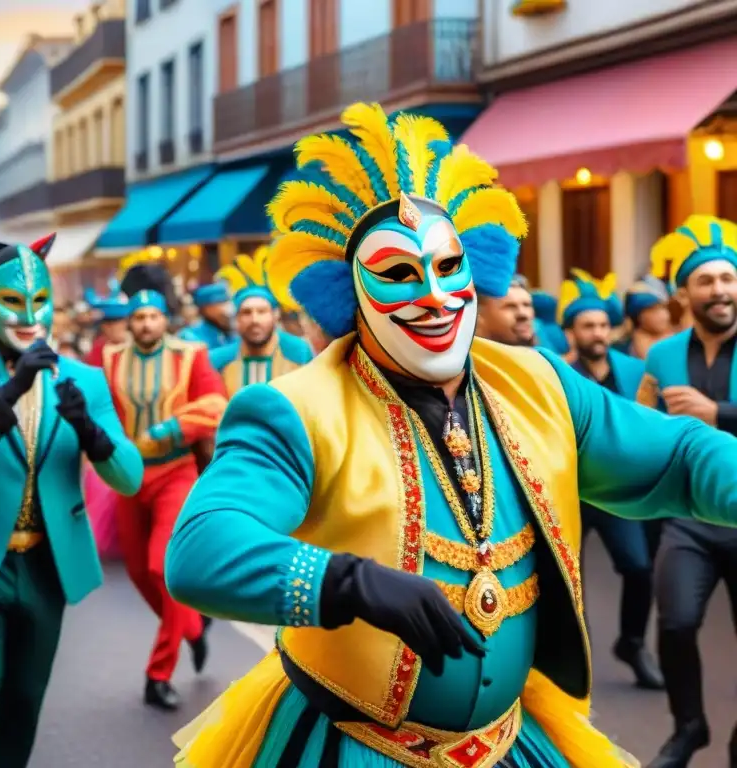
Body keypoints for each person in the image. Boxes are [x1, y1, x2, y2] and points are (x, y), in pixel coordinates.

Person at [164, 104, 737, 768]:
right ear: (350, 292)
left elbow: (681, 456)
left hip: (507, 743)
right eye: (400, 274)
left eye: (448, 267)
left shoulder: (538, 381)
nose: (435, 297)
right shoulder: (295, 408)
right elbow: (201, 549)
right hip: (357, 746)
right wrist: (347, 582)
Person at [0, 234, 142, 768]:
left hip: (46, 565)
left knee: (23, 701)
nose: (28, 315)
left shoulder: (84, 379)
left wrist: (90, 430)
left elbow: (129, 477)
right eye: (13, 302)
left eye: (38, 302)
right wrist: (11, 390)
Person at [103, 264, 228, 710]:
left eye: (153, 317)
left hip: (175, 471)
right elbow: (101, 409)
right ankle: (192, 628)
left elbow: (216, 403)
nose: (146, 324)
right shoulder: (109, 358)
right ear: (129, 323)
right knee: (138, 573)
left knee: (162, 569)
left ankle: (158, 673)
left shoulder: (190, 355)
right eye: (138, 319)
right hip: (128, 477)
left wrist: (170, 429)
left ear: (164, 319)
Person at [637, 216, 737, 768]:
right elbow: (638, 425)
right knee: (674, 622)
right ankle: (689, 727)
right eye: (707, 280)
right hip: (687, 519)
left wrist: (715, 413)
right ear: (685, 293)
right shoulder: (660, 357)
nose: (720, 290)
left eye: (728, 278)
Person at [557, 269, 663, 690]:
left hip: (616, 492)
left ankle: (633, 643)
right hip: (569, 492)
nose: (598, 332)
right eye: (588, 325)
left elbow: (654, 425)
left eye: (603, 324)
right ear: (570, 332)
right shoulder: (554, 372)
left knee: (639, 567)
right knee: (569, 581)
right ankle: (574, 661)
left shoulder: (635, 371)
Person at [210, 247, 313, 397]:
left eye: (262, 311)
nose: (254, 320)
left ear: (275, 315)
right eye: (246, 312)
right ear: (237, 318)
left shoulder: (299, 353)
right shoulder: (219, 360)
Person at [615, 275, 672, 360]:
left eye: (663, 308)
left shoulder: (677, 340)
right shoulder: (621, 350)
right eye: (653, 310)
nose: (663, 315)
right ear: (639, 317)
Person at [475, 274, 536, 346]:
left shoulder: (545, 356)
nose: (523, 314)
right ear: (479, 315)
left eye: (527, 305)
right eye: (510, 306)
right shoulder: (465, 356)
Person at [178, 282, 234, 349]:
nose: (227, 307)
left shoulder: (231, 330)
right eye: (221, 303)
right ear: (207, 309)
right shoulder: (189, 335)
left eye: (227, 302)